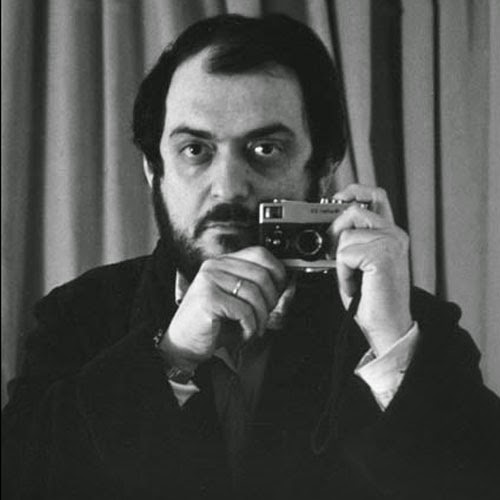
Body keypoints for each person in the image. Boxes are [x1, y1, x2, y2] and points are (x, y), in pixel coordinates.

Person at [2, 13, 499, 500]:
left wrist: (392, 349)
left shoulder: (410, 326)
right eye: (195, 150)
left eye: (265, 149)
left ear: (324, 168)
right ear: (154, 171)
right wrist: (170, 358)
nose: (228, 187)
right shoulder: (77, 317)